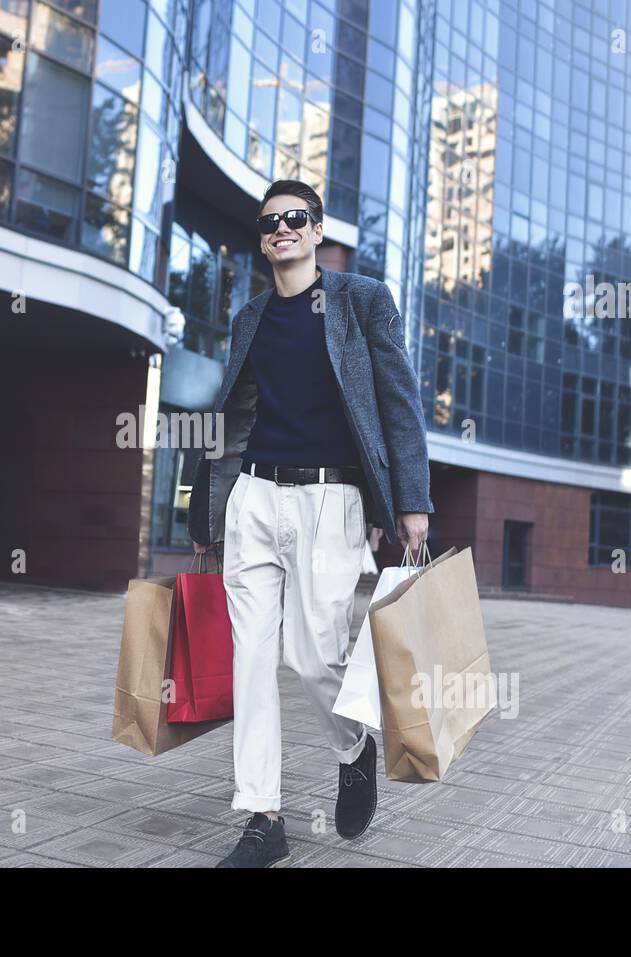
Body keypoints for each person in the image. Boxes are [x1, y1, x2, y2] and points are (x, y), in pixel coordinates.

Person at [188, 179, 432, 868]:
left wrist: (411, 503)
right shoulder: (252, 316)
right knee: (251, 659)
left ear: (317, 231)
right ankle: (263, 818)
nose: (282, 229)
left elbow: (398, 404)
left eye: (295, 218)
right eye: (270, 222)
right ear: (263, 238)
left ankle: (354, 748)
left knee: (313, 653)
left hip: (331, 501)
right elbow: (229, 418)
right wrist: (206, 512)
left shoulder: (361, 301)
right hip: (254, 500)